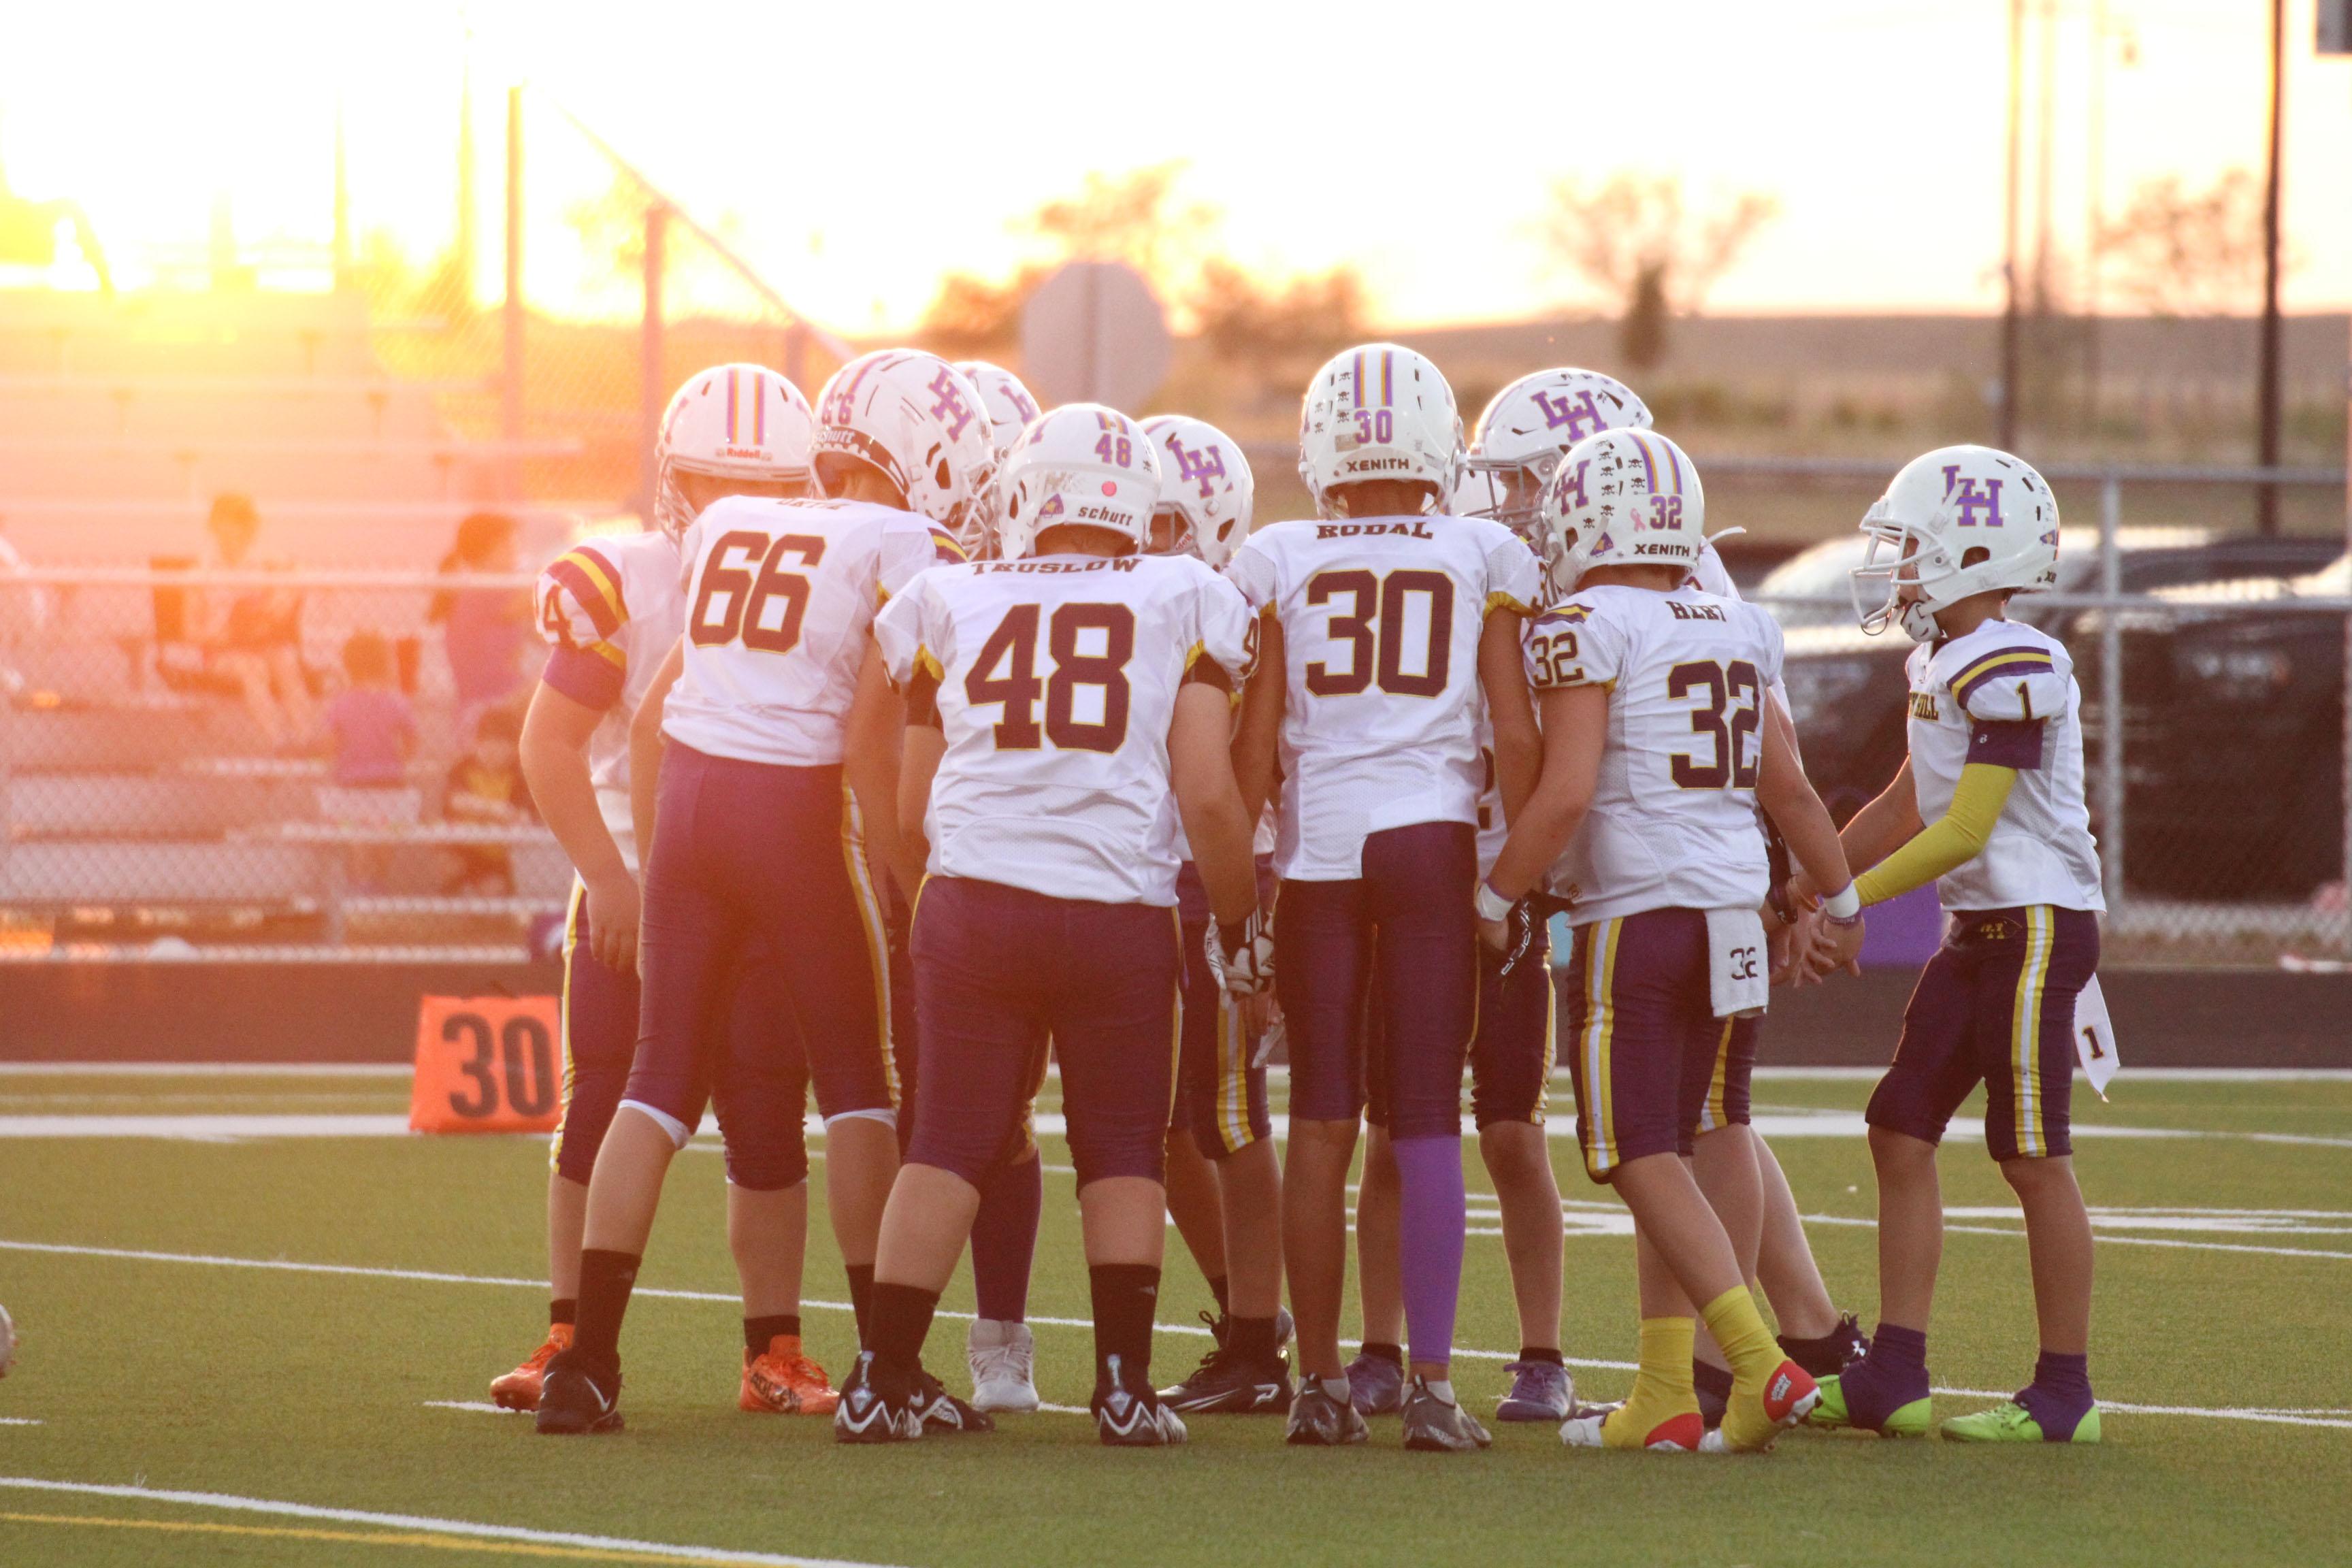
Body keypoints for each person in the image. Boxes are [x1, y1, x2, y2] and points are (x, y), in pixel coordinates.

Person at [533, 350, 990, 1437]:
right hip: (791, 813)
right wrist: (914, 877)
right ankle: (888, 1367)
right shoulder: (901, 542)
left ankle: (585, 1362)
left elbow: (652, 719)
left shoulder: (734, 526)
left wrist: (654, 854)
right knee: (859, 1087)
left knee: (654, 1084)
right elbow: (876, 763)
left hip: (687, 804)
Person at [843, 403, 1267, 1448]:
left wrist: (936, 900)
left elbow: (904, 808)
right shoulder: (1185, 592)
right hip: (1114, 909)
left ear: (1030, 494)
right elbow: (1210, 795)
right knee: (1122, 1144)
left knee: (947, 1140)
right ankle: (1123, 1385)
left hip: (975, 899)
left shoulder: (953, 593)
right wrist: (1242, 920)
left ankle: (881, 1377)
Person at [1482, 426, 1862, 1454]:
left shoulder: (1586, 623)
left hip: (1640, 913)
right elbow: (1790, 788)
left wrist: (1498, 889)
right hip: (1735, 910)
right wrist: (1840, 897)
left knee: (1629, 1147)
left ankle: (1755, 1359)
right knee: (1708, 1127)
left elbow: (1563, 795)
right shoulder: (1738, 622)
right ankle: (1668, 1390)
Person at [502, 364, 840, 1419]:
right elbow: (549, 743)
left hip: (771, 874)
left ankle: (773, 1349)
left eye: (775, 489)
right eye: (710, 482)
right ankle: (570, 1333)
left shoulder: (833, 565)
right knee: (603, 1102)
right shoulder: (635, 576)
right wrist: (607, 874)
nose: (738, 510)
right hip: (641, 871)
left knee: (766, 1112)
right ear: (668, 482)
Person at [1228, 343, 1541, 1452]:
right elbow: (1512, 730)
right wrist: (1510, 872)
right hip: (1428, 843)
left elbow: (1259, 741)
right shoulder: (1479, 547)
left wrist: (1252, 880)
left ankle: (1318, 1383)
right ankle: (1433, 1386)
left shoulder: (1278, 552)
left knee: (1319, 1122)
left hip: (1320, 858)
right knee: (1423, 1123)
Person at [1348, 368, 1648, 1424]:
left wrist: (1519, 875)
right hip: (1429, 868)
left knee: (1512, 1129)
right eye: (1509, 478)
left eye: (1538, 480)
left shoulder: (1595, 604)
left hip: (1502, 876)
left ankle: (1542, 1352)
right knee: (1394, 1129)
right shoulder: (1467, 564)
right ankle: (1380, 1346)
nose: (1518, 499)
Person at [1801, 445, 2106, 1444]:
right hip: (1981, 931)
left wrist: (1848, 904)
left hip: (2036, 927)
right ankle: (1896, 1372)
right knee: (1898, 1125)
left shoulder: (2017, 662)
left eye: (1914, 550)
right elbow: (1905, 801)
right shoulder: (1939, 657)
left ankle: (2065, 1394)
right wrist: (1804, 879)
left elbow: (1968, 829)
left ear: (1972, 553)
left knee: (2030, 1156)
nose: (1897, 568)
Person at [1131, 414, 1293, 1416]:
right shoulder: (1131, 600)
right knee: (1164, 1124)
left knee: (1229, 1117)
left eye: (1164, 525)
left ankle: (1257, 1342)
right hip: (1145, 870)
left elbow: (1230, 781)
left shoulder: (1224, 610)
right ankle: (1249, 1318)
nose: (1143, 545)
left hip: (1222, 868)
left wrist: (1245, 919)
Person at [196, 493, 313, 751]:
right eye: (224, 523)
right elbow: (191, 628)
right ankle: (279, 742)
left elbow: (298, 576)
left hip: (261, 640)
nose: (230, 531)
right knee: (252, 667)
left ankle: (306, 739)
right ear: (214, 526)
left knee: (285, 660)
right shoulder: (200, 569)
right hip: (223, 650)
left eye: (238, 523)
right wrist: (222, 636)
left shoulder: (263, 560)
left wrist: (276, 608)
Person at [318, 630, 417, 892]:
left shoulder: (341, 702)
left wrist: (336, 758)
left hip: (353, 780)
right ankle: (377, 883)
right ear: (386, 664)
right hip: (389, 779)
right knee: (385, 836)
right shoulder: (396, 700)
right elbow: (412, 736)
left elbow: (329, 741)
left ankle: (357, 885)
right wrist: (402, 759)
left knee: (358, 837)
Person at [430, 511, 534, 740]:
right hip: (484, 708)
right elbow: (532, 598)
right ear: (488, 552)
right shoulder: (480, 590)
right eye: (509, 546)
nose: (517, 553)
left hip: (505, 699)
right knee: (550, 687)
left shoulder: (497, 589)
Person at [441, 706, 534, 895]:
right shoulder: (463, 767)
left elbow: (520, 816)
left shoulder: (519, 776)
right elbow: (457, 801)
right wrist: (494, 810)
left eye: (500, 745)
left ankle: (475, 897)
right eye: (484, 743)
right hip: (464, 848)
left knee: (493, 891)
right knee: (446, 864)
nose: (491, 751)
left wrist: (492, 812)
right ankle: (456, 891)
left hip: (496, 856)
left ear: (514, 749)